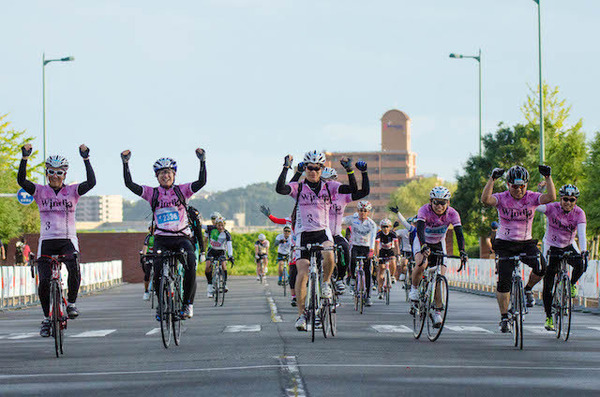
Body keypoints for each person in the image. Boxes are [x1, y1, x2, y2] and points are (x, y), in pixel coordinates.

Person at [18, 143, 96, 337]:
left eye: (59, 172)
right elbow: (21, 180)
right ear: (46, 173)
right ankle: (46, 319)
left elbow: (91, 182)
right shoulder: (39, 191)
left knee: (73, 266)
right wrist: (25, 158)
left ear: (64, 175)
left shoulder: (72, 191)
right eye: (51, 172)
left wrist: (86, 159)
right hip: (47, 241)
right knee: (44, 281)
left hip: (67, 239)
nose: (55, 175)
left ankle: (71, 303)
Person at [276, 150, 357, 331]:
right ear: (305, 169)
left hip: (323, 232)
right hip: (304, 234)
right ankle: (301, 315)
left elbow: (352, 189)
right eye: (309, 168)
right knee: (303, 273)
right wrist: (286, 167)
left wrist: (350, 170)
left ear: (322, 169)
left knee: (329, 255)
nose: (313, 171)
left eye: (317, 168)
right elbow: (280, 188)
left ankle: (326, 283)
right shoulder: (298, 187)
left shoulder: (330, 186)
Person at [121, 148, 206, 320]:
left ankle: (187, 304)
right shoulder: (152, 193)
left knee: (190, 263)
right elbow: (130, 185)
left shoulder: (182, 190)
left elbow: (201, 182)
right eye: (161, 173)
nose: (165, 176)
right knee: (157, 271)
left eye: (168, 172)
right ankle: (162, 306)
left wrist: (202, 161)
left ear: (174, 174)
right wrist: (125, 163)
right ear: (156, 176)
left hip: (182, 237)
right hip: (161, 238)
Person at [481, 165, 555, 333]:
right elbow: (485, 199)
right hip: (505, 244)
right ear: (508, 185)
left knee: (542, 267)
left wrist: (548, 177)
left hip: (525, 242)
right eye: (515, 186)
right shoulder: (501, 198)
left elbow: (551, 197)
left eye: (522, 186)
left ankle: (527, 289)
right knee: (504, 282)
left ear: (526, 185)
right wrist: (492, 179)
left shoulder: (532, 197)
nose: (519, 189)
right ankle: (504, 317)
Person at [409, 186, 468, 328]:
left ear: (448, 202)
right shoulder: (424, 210)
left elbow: (459, 234)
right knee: (422, 264)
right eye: (436, 202)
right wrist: (423, 246)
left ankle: (437, 312)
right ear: (431, 201)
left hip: (438, 242)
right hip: (423, 240)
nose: (440, 206)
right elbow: (421, 230)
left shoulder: (453, 213)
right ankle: (414, 290)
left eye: (443, 202)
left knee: (439, 277)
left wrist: (462, 251)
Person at [537, 184, 587, 330]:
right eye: (565, 199)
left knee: (581, 264)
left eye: (572, 200)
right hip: (552, 245)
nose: (568, 203)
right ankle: (548, 317)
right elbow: (535, 205)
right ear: (560, 198)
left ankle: (571, 284)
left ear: (575, 200)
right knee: (548, 283)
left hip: (568, 244)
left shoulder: (579, 213)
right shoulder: (552, 207)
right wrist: (540, 192)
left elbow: (582, 234)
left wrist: (584, 251)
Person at [321, 162, 369, 292]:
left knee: (345, 248)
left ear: (335, 181)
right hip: (320, 234)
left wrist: (364, 173)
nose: (327, 183)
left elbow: (364, 192)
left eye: (330, 180)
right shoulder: (317, 195)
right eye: (324, 180)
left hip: (335, 234)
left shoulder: (342, 196)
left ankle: (340, 278)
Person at [343, 200, 378, 306]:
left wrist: (372, 250)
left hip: (366, 247)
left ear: (368, 212)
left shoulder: (372, 224)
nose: (362, 213)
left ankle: (368, 296)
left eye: (365, 211)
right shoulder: (352, 219)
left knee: (368, 271)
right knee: (352, 259)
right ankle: (353, 278)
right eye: (361, 210)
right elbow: (341, 220)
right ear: (357, 210)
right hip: (355, 246)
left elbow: (373, 238)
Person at [205, 217, 234, 297]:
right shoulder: (211, 229)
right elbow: (200, 225)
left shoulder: (227, 233)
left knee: (224, 266)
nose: (221, 227)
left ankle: (224, 284)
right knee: (208, 267)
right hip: (211, 251)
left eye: (222, 225)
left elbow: (229, 245)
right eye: (219, 225)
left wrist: (230, 255)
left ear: (224, 225)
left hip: (221, 252)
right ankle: (210, 286)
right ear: (216, 225)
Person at [389, 206, 417, 283]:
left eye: (414, 223)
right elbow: (392, 234)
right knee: (404, 263)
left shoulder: (417, 230)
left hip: (415, 250)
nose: (412, 225)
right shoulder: (404, 231)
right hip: (406, 250)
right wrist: (394, 228)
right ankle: (403, 273)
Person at [374, 218, 399, 299]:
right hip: (382, 251)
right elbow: (377, 246)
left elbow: (396, 245)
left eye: (387, 227)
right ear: (381, 227)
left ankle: (392, 276)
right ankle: (380, 290)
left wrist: (397, 254)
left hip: (390, 250)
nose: (385, 229)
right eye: (383, 227)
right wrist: (377, 256)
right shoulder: (379, 234)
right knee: (381, 270)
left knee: (393, 262)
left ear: (390, 227)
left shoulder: (393, 234)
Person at [141, 225, 155, 300]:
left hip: (157, 255)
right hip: (149, 255)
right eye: (151, 228)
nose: (153, 230)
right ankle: (146, 291)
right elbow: (145, 246)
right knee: (147, 273)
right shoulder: (148, 237)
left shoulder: (159, 236)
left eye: (154, 228)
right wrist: (144, 255)